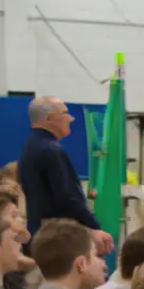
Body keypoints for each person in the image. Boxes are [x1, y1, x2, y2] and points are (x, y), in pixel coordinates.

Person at [17, 96, 114, 255]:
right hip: (56, 240)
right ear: (50, 118)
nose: (71, 118)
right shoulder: (51, 151)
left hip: (40, 234)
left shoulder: (30, 147)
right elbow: (67, 197)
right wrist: (94, 228)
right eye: (65, 113)